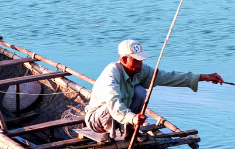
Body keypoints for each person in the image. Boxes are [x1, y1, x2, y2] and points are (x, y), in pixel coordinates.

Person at [82, 39, 223, 141]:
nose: (140, 64)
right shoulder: (111, 74)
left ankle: (130, 133)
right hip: (98, 120)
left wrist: (203, 77)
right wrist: (133, 117)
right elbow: (114, 105)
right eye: (136, 60)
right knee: (111, 105)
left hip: (122, 118)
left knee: (140, 91)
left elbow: (168, 77)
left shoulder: (140, 70)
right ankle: (110, 136)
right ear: (123, 60)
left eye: (141, 60)